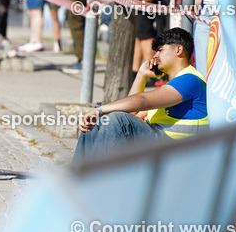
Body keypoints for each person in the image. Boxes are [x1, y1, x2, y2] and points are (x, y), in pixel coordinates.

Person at [72, 27, 208, 163]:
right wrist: (141, 75)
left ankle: (96, 175)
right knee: (99, 123)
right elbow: (131, 113)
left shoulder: (190, 79)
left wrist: (99, 110)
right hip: (162, 143)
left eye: (160, 50)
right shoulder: (173, 84)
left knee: (116, 120)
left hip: (178, 150)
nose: (155, 56)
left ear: (178, 50)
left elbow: (142, 101)